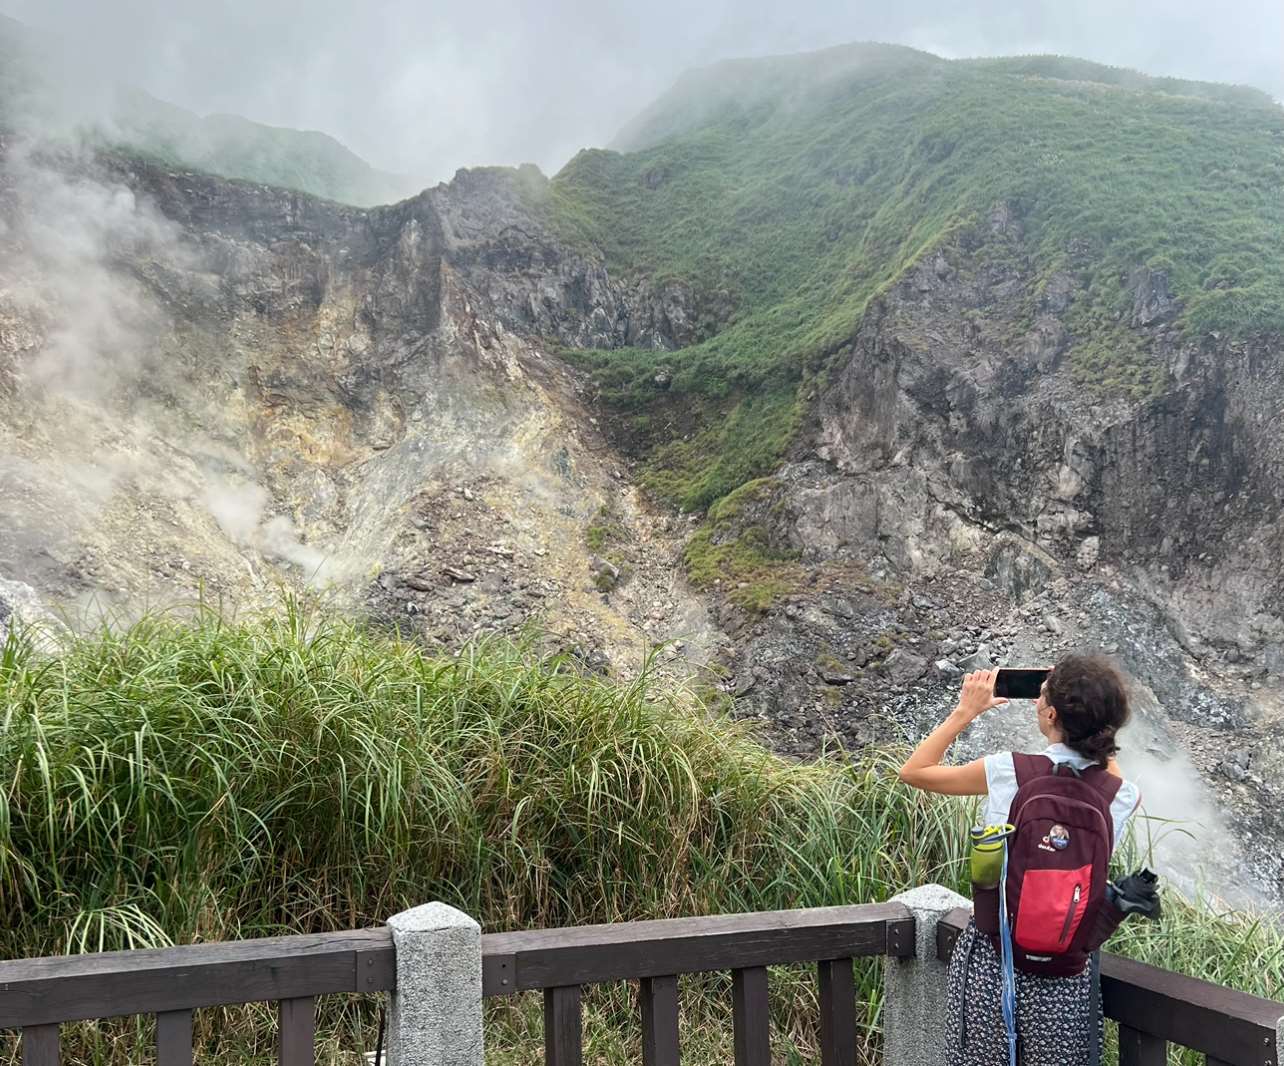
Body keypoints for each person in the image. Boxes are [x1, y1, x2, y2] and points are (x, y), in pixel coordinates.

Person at [898, 655, 1142, 1066]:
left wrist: (966, 710)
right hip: (1066, 974)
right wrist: (1087, 701)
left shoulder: (1007, 771)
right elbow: (1108, 766)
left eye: (1043, 697)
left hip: (994, 959)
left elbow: (915, 771)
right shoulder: (1122, 794)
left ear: (1048, 713)